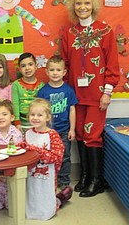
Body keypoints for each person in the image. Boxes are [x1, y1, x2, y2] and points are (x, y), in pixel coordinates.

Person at [61, 0, 120, 197]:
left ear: (93, 5)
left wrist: (108, 92)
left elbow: (112, 64)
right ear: (73, 6)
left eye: (87, 3)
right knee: (79, 134)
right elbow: (66, 64)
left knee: (93, 135)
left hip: (97, 95)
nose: (83, 7)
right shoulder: (70, 33)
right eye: (78, 3)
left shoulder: (105, 30)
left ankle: (97, 180)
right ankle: (86, 176)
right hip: (76, 94)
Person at [24, 98, 72, 220]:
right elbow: (24, 151)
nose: (35, 118)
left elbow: (56, 157)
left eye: (39, 115)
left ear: (47, 117)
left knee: (47, 197)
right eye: (32, 114)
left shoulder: (53, 135)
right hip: (31, 175)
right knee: (32, 193)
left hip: (47, 175)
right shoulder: (28, 133)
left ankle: (62, 197)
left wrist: (36, 151)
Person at [37, 55, 78, 189]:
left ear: (64, 72)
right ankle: (49, 179)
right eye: (52, 70)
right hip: (48, 132)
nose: (55, 73)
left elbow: (72, 110)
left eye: (58, 70)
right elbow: (39, 111)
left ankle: (64, 181)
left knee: (65, 156)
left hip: (64, 130)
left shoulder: (69, 90)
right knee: (48, 157)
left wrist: (72, 129)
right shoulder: (43, 92)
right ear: (47, 72)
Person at [12, 52, 44, 132]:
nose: (27, 68)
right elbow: (15, 104)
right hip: (21, 124)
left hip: (37, 123)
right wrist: (17, 122)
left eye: (30, 64)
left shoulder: (42, 85)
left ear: (36, 66)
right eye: (23, 66)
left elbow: (43, 106)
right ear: (19, 69)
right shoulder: (16, 85)